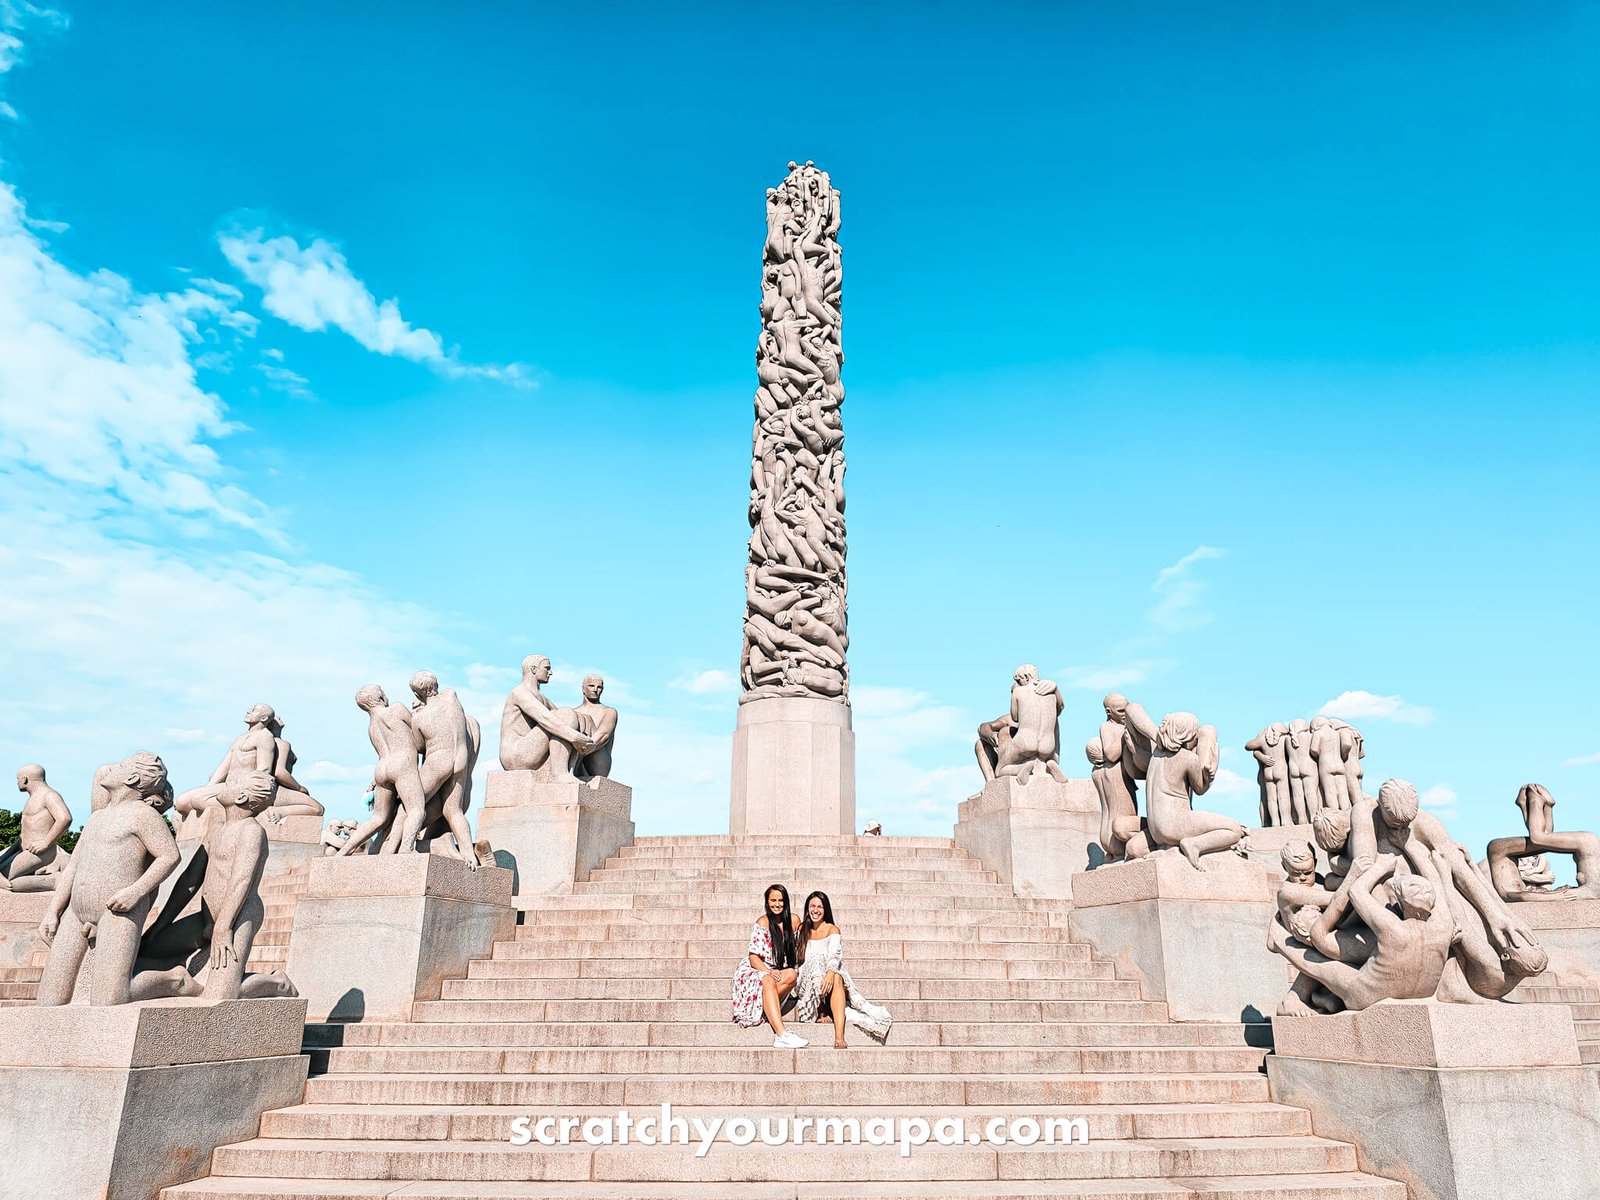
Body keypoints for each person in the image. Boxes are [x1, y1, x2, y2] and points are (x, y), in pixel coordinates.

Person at [790, 890, 893, 1047]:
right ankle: (821, 1009)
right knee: (815, 963)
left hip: (830, 977)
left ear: (826, 910)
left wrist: (830, 972)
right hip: (807, 981)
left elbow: (835, 955)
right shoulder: (802, 929)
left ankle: (839, 1037)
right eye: (812, 906)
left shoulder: (832, 929)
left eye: (820, 907)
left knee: (837, 976)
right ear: (807, 908)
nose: (815, 910)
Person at [731, 884, 806, 1048]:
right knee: (768, 981)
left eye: (780, 901)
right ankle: (781, 1035)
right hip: (755, 969)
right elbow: (753, 958)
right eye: (773, 900)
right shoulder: (763, 922)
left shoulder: (793, 921)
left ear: (786, 902)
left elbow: (804, 944)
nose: (777, 904)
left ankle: (764, 1006)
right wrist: (769, 972)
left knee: (792, 975)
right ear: (767, 901)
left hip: (776, 969)